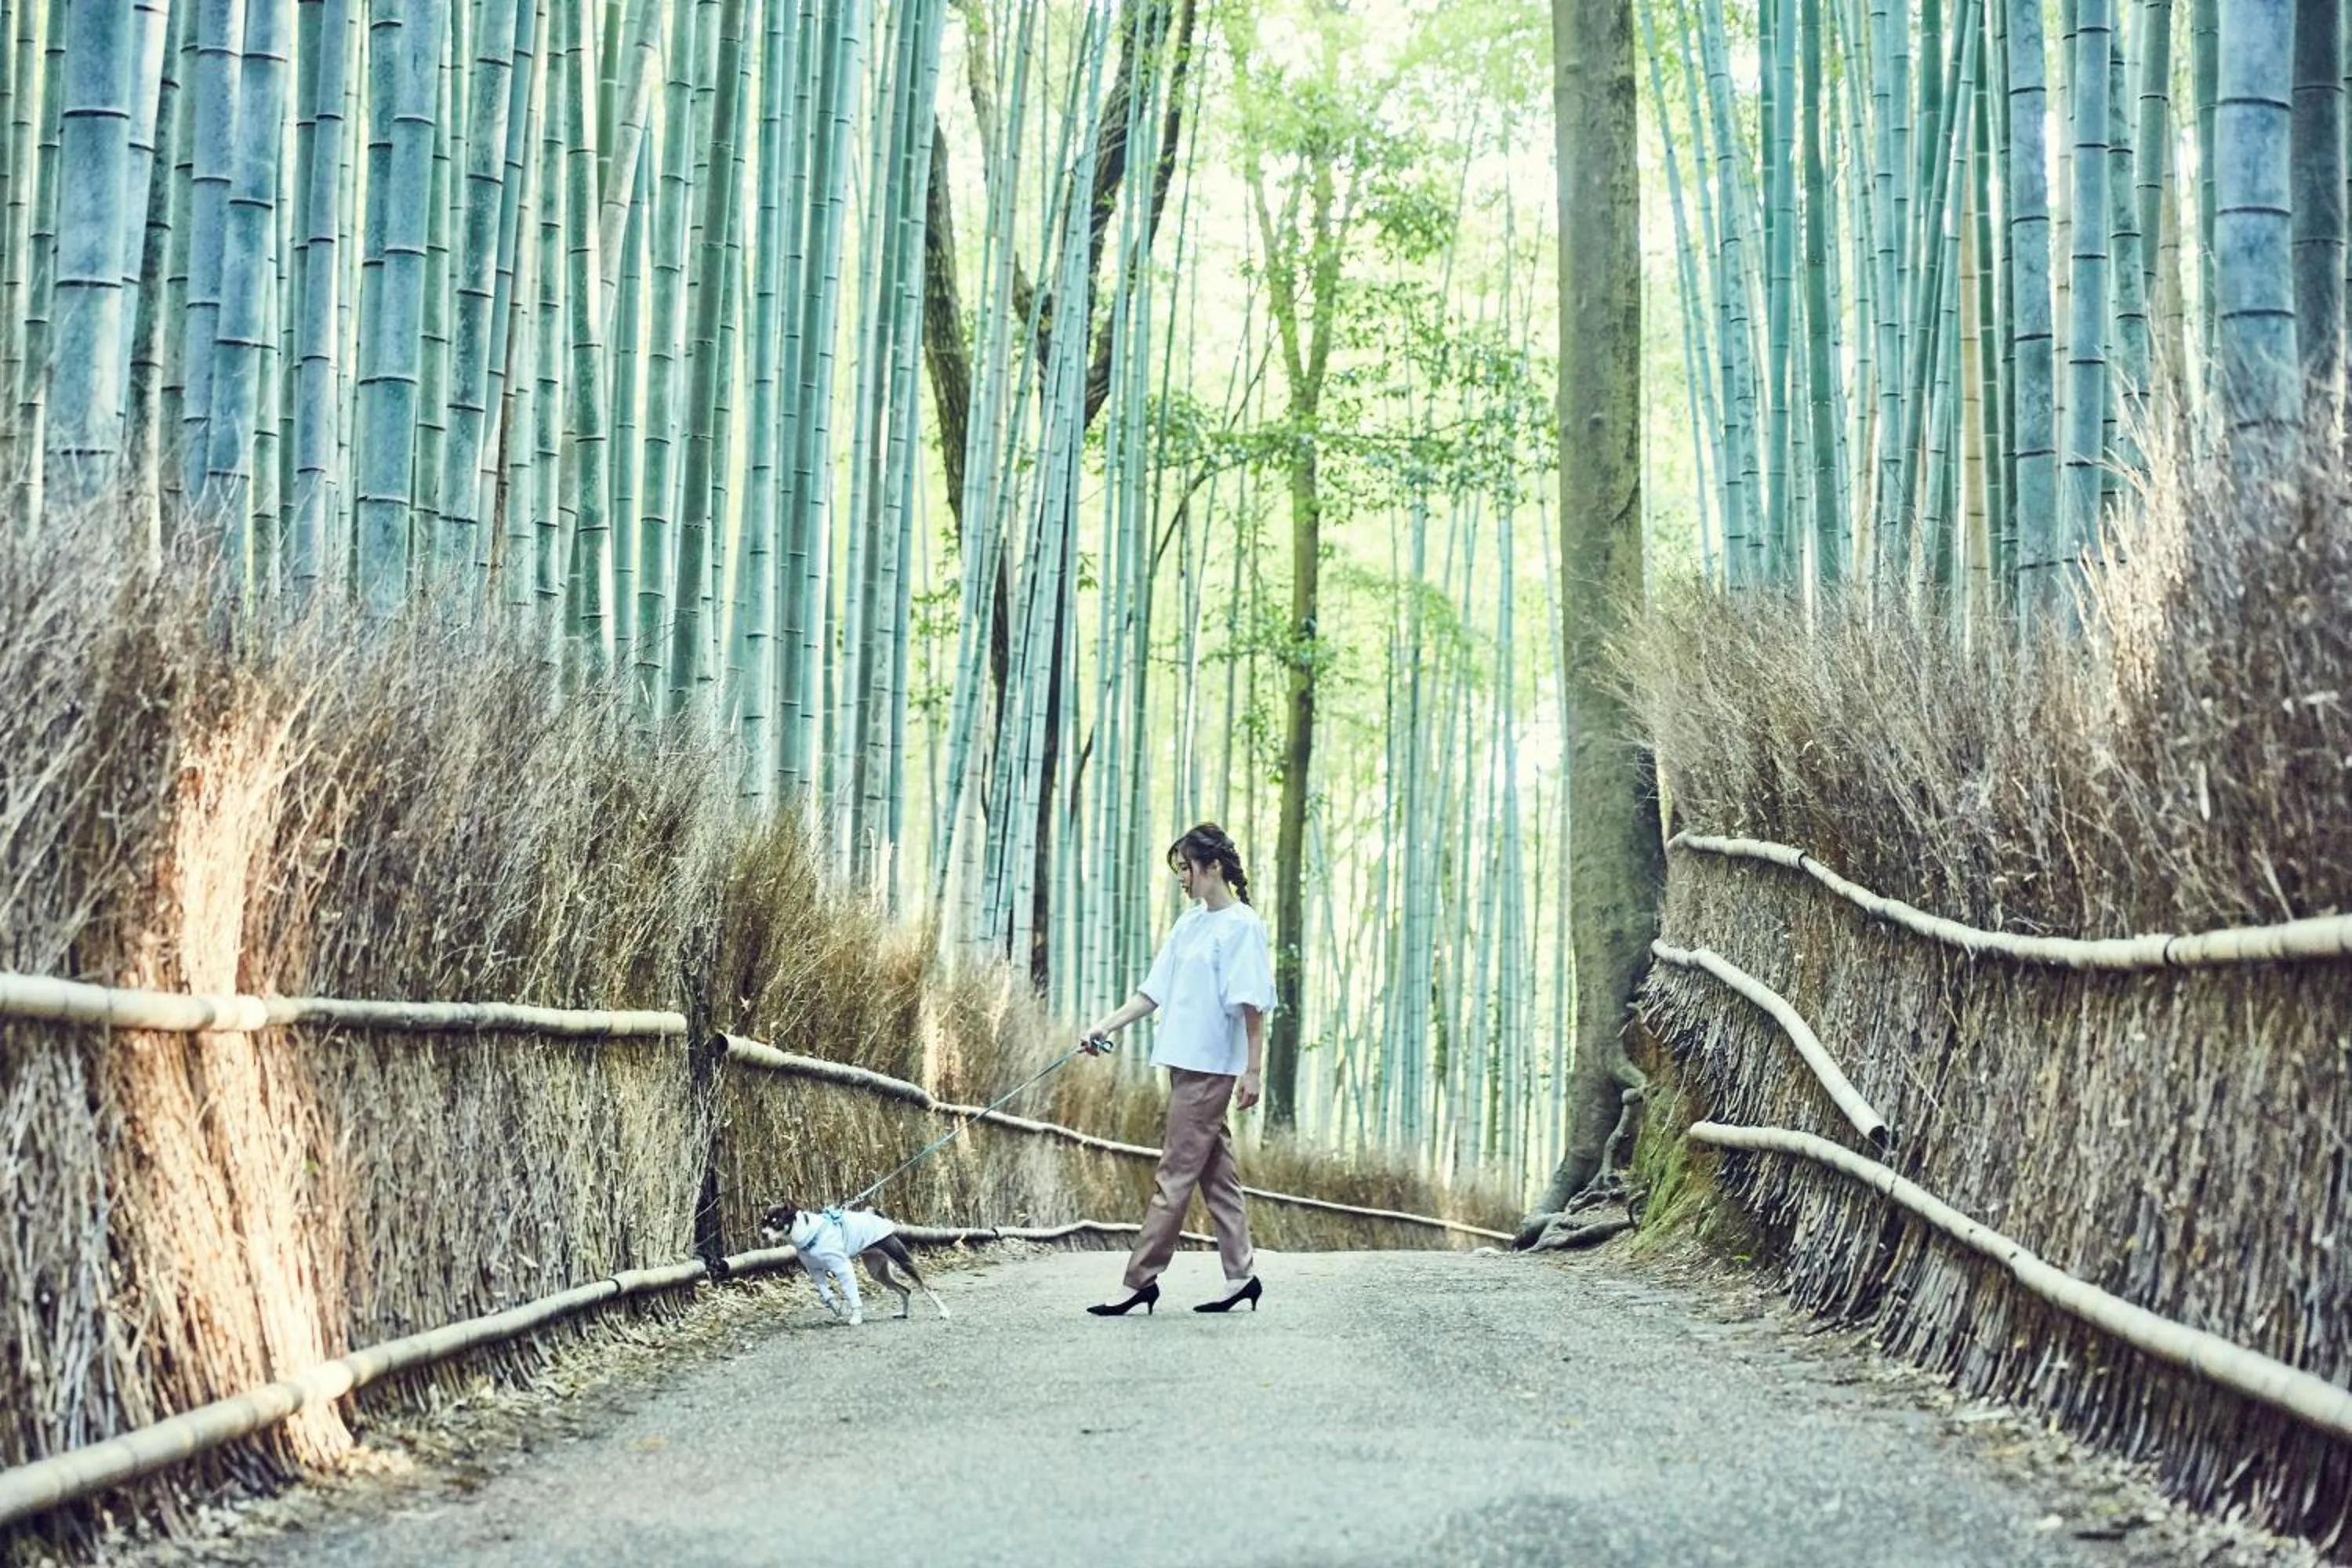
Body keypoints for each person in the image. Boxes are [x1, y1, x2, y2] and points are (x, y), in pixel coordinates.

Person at [1079, 822, 1275, 1317]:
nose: (1182, 878)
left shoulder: (1242, 926)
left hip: (1211, 1069)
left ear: (1213, 867)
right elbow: (1153, 992)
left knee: (1173, 1177)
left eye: (1187, 868)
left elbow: (1254, 1008)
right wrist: (1105, 1024)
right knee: (1218, 1177)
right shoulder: (1190, 924)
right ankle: (1241, 1275)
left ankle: (1139, 1280)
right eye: (1179, 870)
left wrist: (1253, 1072)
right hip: (1183, 1064)